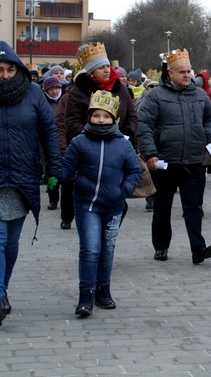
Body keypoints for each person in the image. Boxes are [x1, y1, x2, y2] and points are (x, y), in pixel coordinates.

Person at [57, 91, 140, 316]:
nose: (101, 120)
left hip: (113, 206)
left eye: (106, 116)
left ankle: (104, 290)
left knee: (107, 249)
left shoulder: (123, 144)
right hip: (87, 204)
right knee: (91, 248)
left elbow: (134, 171)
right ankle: (86, 293)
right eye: (96, 116)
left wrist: (123, 191)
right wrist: (55, 175)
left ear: (114, 119)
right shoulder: (80, 142)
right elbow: (66, 168)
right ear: (89, 117)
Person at [0, 41, 62, 326]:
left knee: (11, 241)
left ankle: (3, 287)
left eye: (9, 69)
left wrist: (54, 168)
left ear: (18, 69)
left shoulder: (33, 93)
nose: (4, 75)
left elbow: (48, 130)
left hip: (23, 178)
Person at [138, 49, 211, 265]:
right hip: (165, 161)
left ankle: (198, 249)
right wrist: (150, 154)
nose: (186, 75)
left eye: (188, 71)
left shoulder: (200, 95)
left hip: (193, 161)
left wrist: (205, 134)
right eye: (181, 71)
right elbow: (144, 125)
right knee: (162, 206)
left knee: (193, 207)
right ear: (170, 73)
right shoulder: (156, 96)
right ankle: (161, 246)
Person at [63, 43, 138, 230]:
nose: (107, 70)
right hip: (90, 148)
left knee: (117, 197)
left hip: (118, 147)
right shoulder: (78, 92)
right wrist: (88, 137)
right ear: (90, 72)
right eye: (101, 67)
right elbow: (71, 121)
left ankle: (108, 230)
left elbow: (131, 116)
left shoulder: (120, 89)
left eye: (107, 66)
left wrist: (127, 134)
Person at [42, 76, 64, 211]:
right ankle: (53, 199)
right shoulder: (43, 103)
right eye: (51, 89)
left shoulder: (65, 101)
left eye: (56, 88)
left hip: (63, 140)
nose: (54, 92)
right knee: (52, 172)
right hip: (48, 142)